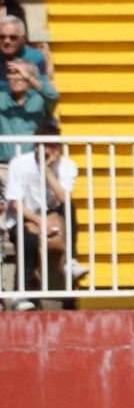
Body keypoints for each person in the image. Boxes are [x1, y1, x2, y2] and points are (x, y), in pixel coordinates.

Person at [4, 125, 79, 307]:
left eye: (52, 145)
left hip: (52, 214)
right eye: (43, 145)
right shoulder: (19, 163)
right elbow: (15, 202)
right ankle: (21, 294)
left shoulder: (68, 166)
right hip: (25, 215)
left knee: (70, 209)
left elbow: (64, 199)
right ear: (36, 145)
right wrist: (40, 222)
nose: (47, 150)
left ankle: (70, 261)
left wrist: (47, 171)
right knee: (28, 240)